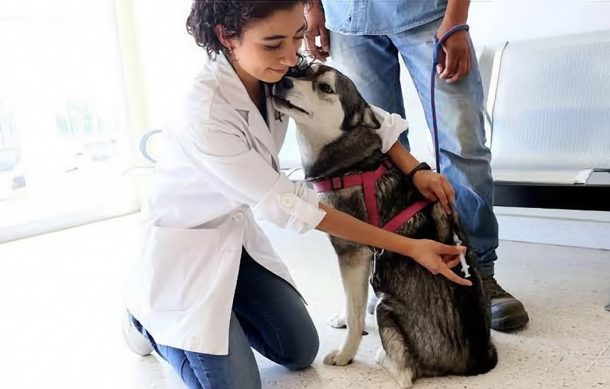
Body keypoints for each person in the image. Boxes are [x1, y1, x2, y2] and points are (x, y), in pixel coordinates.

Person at [122, 1, 472, 388]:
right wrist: (408, 247)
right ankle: (143, 320)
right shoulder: (206, 113)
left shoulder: (275, 69)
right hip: (184, 254)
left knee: (299, 351)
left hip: (236, 240)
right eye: (274, 43)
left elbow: (365, 112)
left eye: (297, 35)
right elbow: (296, 206)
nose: (291, 56)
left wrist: (415, 169)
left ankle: (230, 307)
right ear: (226, 36)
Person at [304, 0, 529, 331]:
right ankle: (400, 279)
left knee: (462, 146)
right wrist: (312, 8)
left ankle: (479, 273)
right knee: (378, 153)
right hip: (348, 20)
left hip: (427, 15)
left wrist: (456, 18)